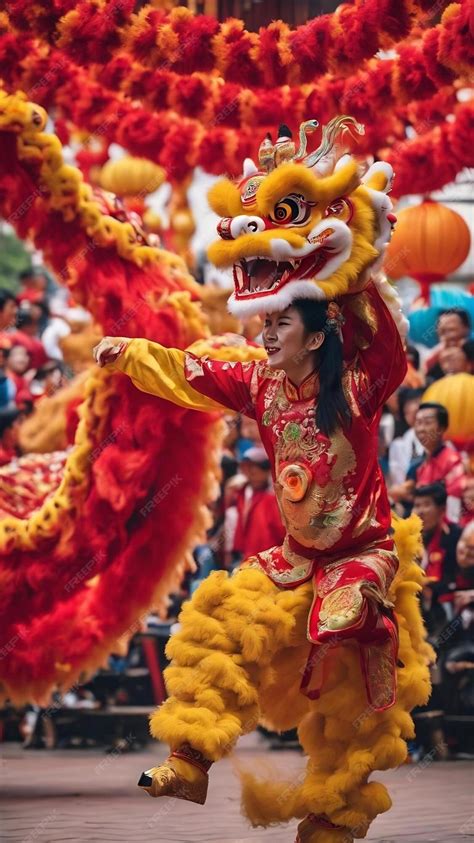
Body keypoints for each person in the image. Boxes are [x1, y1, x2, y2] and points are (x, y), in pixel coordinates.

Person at [408, 402, 466, 522]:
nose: (421, 429)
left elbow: (454, 502)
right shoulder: (419, 466)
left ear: (441, 428)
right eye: (418, 423)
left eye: (427, 423)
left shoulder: (453, 461)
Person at [233, 446, 285, 560]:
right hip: (245, 557)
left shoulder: (272, 498)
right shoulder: (241, 494)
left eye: (259, 468)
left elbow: (281, 532)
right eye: (249, 467)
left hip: (267, 559)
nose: (253, 472)